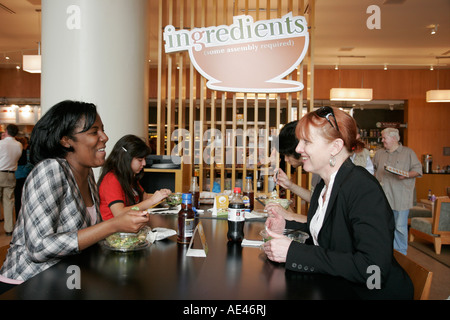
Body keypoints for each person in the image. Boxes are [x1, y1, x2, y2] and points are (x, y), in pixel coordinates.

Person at [263, 106, 413, 299]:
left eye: (306, 141)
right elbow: (330, 235)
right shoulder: (324, 187)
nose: (299, 149)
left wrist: (294, 252)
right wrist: (286, 225)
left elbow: (373, 270)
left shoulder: (362, 188)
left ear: (334, 147)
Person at [0, 100, 149, 293]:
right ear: (66, 140)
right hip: (26, 284)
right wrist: (114, 225)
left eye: (102, 130)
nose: (105, 137)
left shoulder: (87, 176)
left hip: (66, 278)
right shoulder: (50, 170)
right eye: (94, 132)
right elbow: (38, 248)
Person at [372, 127, 422, 255]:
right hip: (382, 198)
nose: (382, 140)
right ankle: (385, 253)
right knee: (383, 226)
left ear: (393, 138)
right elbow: (373, 171)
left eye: (384, 138)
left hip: (400, 197)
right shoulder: (379, 154)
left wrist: (406, 175)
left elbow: (418, 170)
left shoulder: (408, 153)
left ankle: (400, 255)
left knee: (399, 227)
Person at [98, 134, 171, 220]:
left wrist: (161, 195)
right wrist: (152, 200)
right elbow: (119, 213)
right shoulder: (112, 179)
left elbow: (144, 198)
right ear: (126, 158)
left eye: (144, 159)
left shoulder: (128, 176)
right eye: (140, 160)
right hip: (114, 231)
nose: (144, 163)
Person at [0, 124, 23, 236]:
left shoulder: (1, 143)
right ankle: (9, 229)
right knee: (8, 202)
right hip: (11, 174)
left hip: (0, 172)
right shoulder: (18, 145)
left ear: (6, 131)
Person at [14, 136, 33, 216]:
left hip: (17, 175)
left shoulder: (16, 152)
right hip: (26, 176)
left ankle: (18, 214)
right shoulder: (28, 151)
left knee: (17, 197)